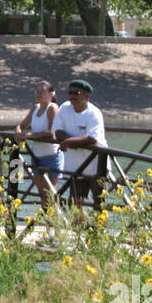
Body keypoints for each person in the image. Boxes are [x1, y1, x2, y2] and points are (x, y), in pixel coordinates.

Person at [53, 78, 108, 208]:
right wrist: (70, 141)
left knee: (99, 203)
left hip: (96, 165)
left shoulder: (94, 114)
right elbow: (58, 132)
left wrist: (68, 142)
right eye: (70, 93)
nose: (72, 96)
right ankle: (82, 228)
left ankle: (97, 228)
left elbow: (91, 138)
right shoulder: (65, 108)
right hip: (76, 167)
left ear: (86, 95)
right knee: (75, 203)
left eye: (76, 93)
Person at [13, 80, 61, 204]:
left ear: (51, 94)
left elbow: (51, 132)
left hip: (51, 156)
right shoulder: (35, 108)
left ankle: (53, 222)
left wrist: (28, 136)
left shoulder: (52, 108)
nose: (39, 94)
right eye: (37, 91)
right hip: (36, 156)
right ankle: (48, 222)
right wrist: (18, 132)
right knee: (42, 195)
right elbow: (22, 125)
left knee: (49, 196)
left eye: (42, 92)